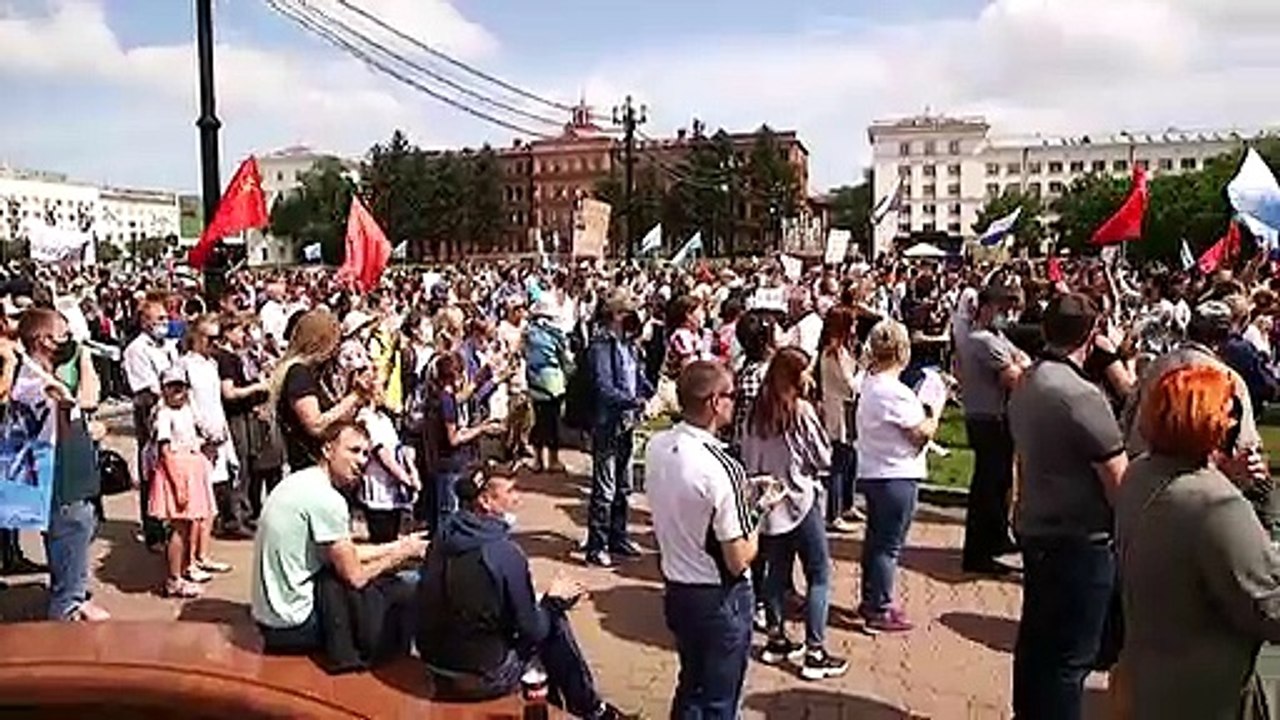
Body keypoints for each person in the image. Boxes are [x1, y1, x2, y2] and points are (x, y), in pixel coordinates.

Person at [1118, 365, 1280, 719]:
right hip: (1206, 695)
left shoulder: (1139, 474)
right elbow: (1269, 609)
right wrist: (1260, 498)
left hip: (1149, 676)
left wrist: (1223, 474)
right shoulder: (1217, 504)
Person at [417, 466, 630, 720]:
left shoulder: (443, 535)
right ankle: (592, 710)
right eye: (510, 491)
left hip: (435, 664)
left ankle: (578, 705)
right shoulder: (504, 553)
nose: (517, 498)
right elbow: (534, 629)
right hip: (481, 677)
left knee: (532, 614)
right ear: (485, 501)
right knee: (554, 624)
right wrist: (555, 600)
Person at [1006, 294, 1128, 720]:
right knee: (1069, 659)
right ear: (1093, 336)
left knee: (1037, 647)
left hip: (1037, 526)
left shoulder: (1026, 380)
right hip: (1080, 539)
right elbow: (1120, 483)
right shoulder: (1081, 395)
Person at [646, 361, 772, 717]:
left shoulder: (657, 446)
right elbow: (739, 557)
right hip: (720, 595)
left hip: (677, 585)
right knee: (719, 699)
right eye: (731, 395)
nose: (735, 402)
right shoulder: (722, 465)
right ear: (716, 402)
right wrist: (758, 511)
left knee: (691, 685)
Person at [251, 422, 426, 657]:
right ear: (327, 450)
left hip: (268, 619)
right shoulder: (328, 500)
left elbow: (344, 552)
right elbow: (356, 577)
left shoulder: (300, 481)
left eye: (365, 454)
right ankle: (399, 668)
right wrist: (401, 555)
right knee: (409, 583)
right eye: (353, 451)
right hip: (295, 625)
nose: (362, 461)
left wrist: (399, 544)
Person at [740, 347, 847, 680]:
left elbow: (745, 456)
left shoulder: (754, 412)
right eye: (805, 372)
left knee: (776, 571)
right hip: (800, 500)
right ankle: (815, 651)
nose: (809, 377)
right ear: (794, 375)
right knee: (819, 574)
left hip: (770, 502)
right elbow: (822, 457)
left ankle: (776, 637)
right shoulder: (800, 410)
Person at [14, 307, 109, 620]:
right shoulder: (31, 380)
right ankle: (65, 625)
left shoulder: (40, 374)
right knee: (69, 551)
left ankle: (75, 596)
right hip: (62, 489)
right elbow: (84, 400)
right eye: (64, 335)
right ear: (44, 340)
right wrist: (82, 357)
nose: (70, 341)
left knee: (72, 554)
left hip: (73, 486)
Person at [854, 320, 937, 633]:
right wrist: (934, 411)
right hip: (895, 472)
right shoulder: (893, 392)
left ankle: (873, 597)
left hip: (878, 469)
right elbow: (920, 434)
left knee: (877, 541)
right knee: (888, 545)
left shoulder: (872, 383)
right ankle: (880, 606)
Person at [956, 284, 1029, 575]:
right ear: (985, 308)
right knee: (987, 486)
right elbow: (1016, 376)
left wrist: (1019, 362)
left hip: (998, 417)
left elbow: (1023, 360)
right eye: (1001, 307)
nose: (1006, 313)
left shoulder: (998, 337)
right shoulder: (982, 341)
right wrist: (1018, 364)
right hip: (987, 418)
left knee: (1000, 483)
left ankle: (997, 537)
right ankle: (978, 552)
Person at [583, 290, 653, 568]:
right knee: (605, 488)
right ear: (617, 314)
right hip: (607, 423)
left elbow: (637, 377)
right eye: (628, 311)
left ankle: (618, 536)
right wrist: (632, 400)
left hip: (627, 422)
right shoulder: (600, 345)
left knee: (624, 486)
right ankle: (596, 544)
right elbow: (603, 388)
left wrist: (651, 394)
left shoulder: (629, 344)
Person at [269, 309, 374, 472]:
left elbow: (333, 418)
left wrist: (357, 394)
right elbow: (315, 425)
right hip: (307, 466)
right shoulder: (298, 373)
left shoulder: (314, 372)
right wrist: (354, 396)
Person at [147, 366, 216, 598]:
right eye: (173, 388)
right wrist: (178, 485)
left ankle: (186, 569)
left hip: (192, 465)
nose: (179, 393)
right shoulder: (164, 415)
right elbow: (165, 451)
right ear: (164, 390)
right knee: (179, 527)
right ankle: (174, 578)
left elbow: (203, 430)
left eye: (182, 387)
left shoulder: (188, 410)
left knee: (190, 526)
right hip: (177, 469)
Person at [424, 352, 503, 534]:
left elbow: (461, 397)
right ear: (456, 376)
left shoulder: (439, 396)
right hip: (450, 464)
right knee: (449, 513)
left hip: (441, 463)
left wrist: (480, 379)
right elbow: (454, 438)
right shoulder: (446, 401)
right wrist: (481, 429)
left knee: (447, 510)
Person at [123, 296, 178, 551]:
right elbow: (145, 388)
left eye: (166, 318)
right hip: (150, 413)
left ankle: (173, 523)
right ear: (145, 321)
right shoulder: (136, 350)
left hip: (175, 410)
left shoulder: (168, 346)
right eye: (159, 319)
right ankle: (154, 531)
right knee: (152, 469)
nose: (164, 323)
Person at [215, 312, 282, 521]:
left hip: (245, 416)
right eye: (240, 330)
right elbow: (229, 391)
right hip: (236, 418)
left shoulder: (238, 356)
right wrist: (257, 387)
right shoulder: (226, 359)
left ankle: (240, 513)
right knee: (240, 468)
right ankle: (236, 516)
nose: (244, 335)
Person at [817, 305, 864, 532]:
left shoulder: (845, 350)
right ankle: (833, 514)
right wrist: (864, 371)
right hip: (839, 410)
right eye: (852, 323)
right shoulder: (833, 353)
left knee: (851, 458)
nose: (855, 327)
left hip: (849, 409)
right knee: (839, 461)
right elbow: (849, 386)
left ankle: (847, 503)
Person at [525, 298, 573, 474]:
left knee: (538, 421)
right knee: (552, 422)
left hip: (534, 381)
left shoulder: (529, 333)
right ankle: (553, 460)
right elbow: (565, 360)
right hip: (553, 383)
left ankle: (537, 460)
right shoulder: (555, 334)